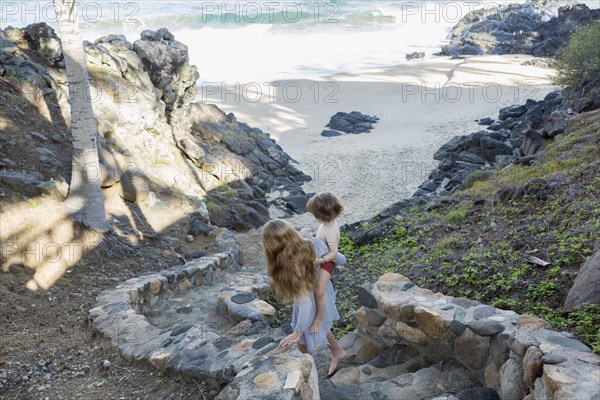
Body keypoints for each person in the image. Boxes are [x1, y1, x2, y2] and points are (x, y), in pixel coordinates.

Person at [263, 219, 347, 376]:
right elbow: (341, 260)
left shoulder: (287, 268)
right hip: (321, 291)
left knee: (302, 342)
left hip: (308, 299)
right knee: (319, 324)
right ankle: (338, 352)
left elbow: (306, 305)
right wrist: (321, 263)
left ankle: (310, 372)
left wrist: (298, 332)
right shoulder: (312, 243)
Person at [303, 192, 344, 335]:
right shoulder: (325, 223)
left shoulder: (331, 230)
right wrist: (313, 236)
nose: (315, 218)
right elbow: (321, 235)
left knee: (319, 290)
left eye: (315, 215)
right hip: (321, 256)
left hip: (327, 262)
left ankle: (319, 318)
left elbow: (333, 252)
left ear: (322, 215)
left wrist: (321, 260)